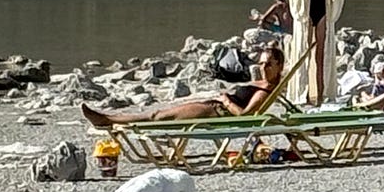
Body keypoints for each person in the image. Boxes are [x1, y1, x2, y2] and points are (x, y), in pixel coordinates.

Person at [84, 47, 286, 127]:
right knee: (160, 113)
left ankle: (107, 120)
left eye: (268, 64)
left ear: (279, 66)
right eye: (260, 63)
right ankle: (108, 118)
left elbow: (245, 117)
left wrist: (225, 100)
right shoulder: (264, 84)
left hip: (216, 111)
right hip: (213, 106)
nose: (262, 67)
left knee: (157, 116)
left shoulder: (263, 92)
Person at [286, 0, 345, 105]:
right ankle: (303, 92)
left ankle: (322, 91)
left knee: (322, 53)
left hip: (323, 12)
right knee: (304, 51)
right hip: (307, 13)